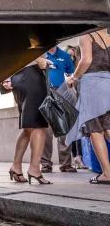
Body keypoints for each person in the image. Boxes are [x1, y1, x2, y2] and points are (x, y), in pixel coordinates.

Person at [66, 29, 110, 184]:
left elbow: (86, 60)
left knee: (95, 130)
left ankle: (107, 173)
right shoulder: (108, 34)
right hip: (108, 84)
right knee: (108, 127)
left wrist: (73, 77)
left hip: (92, 86)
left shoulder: (87, 35)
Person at [0, 57, 52, 185]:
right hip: (32, 74)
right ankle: (34, 169)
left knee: (28, 128)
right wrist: (40, 59)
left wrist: (5, 78)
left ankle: (16, 167)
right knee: (39, 126)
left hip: (18, 77)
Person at [41, 46, 76, 173]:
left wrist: (70, 82)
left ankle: (66, 164)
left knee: (64, 129)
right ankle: (45, 164)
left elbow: (70, 73)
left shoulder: (65, 55)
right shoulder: (39, 54)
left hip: (61, 92)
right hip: (44, 92)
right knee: (46, 131)